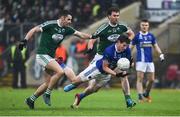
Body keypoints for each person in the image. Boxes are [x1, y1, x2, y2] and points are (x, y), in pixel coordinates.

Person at [19, 10, 92, 109]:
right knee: (60, 72)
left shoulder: (67, 29)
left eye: (71, 20)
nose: (70, 21)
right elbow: (34, 30)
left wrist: (93, 36)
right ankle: (48, 94)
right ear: (62, 18)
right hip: (42, 55)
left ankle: (31, 99)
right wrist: (25, 40)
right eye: (68, 19)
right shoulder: (50, 24)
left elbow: (80, 34)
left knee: (47, 83)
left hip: (50, 57)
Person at [68, 7, 135, 108]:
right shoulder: (103, 28)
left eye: (118, 15)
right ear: (109, 16)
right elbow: (92, 38)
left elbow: (131, 34)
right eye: (114, 15)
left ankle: (128, 99)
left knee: (123, 75)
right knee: (93, 87)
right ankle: (79, 92)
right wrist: (90, 47)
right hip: (101, 57)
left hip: (116, 57)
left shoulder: (122, 26)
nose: (116, 17)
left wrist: (126, 44)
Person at [64, 34, 136, 108]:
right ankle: (65, 69)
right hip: (97, 69)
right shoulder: (109, 50)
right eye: (123, 45)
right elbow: (104, 67)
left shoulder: (127, 50)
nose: (125, 47)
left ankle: (80, 96)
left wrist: (129, 65)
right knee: (75, 80)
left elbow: (131, 61)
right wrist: (115, 74)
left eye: (126, 46)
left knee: (93, 89)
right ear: (118, 42)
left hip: (106, 74)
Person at [129, 19, 165, 103]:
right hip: (140, 61)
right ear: (140, 26)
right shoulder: (137, 36)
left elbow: (156, 46)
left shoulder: (151, 36)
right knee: (140, 79)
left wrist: (160, 54)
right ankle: (140, 97)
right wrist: (128, 57)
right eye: (143, 25)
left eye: (146, 25)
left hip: (150, 61)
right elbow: (130, 48)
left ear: (148, 26)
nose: (144, 27)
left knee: (152, 80)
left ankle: (146, 93)